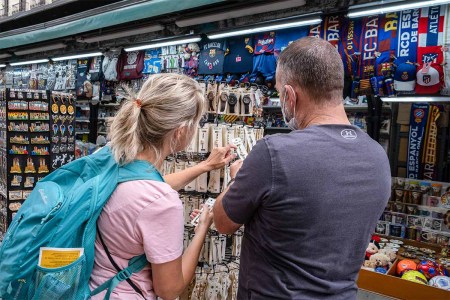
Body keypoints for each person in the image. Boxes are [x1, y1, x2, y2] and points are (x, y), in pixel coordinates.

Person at [212, 37, 392, 299]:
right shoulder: (377, 156)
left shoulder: (273, 153)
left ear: (289, 95)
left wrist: (236, 178)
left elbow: (222, 222)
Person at [89, 73, 236, 299]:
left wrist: (205, 166)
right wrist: (202, 229)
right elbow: (169, 289)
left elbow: (143, 191)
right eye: (196, 123)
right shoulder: (161, 202)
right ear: (180, 131)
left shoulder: (109, 159)